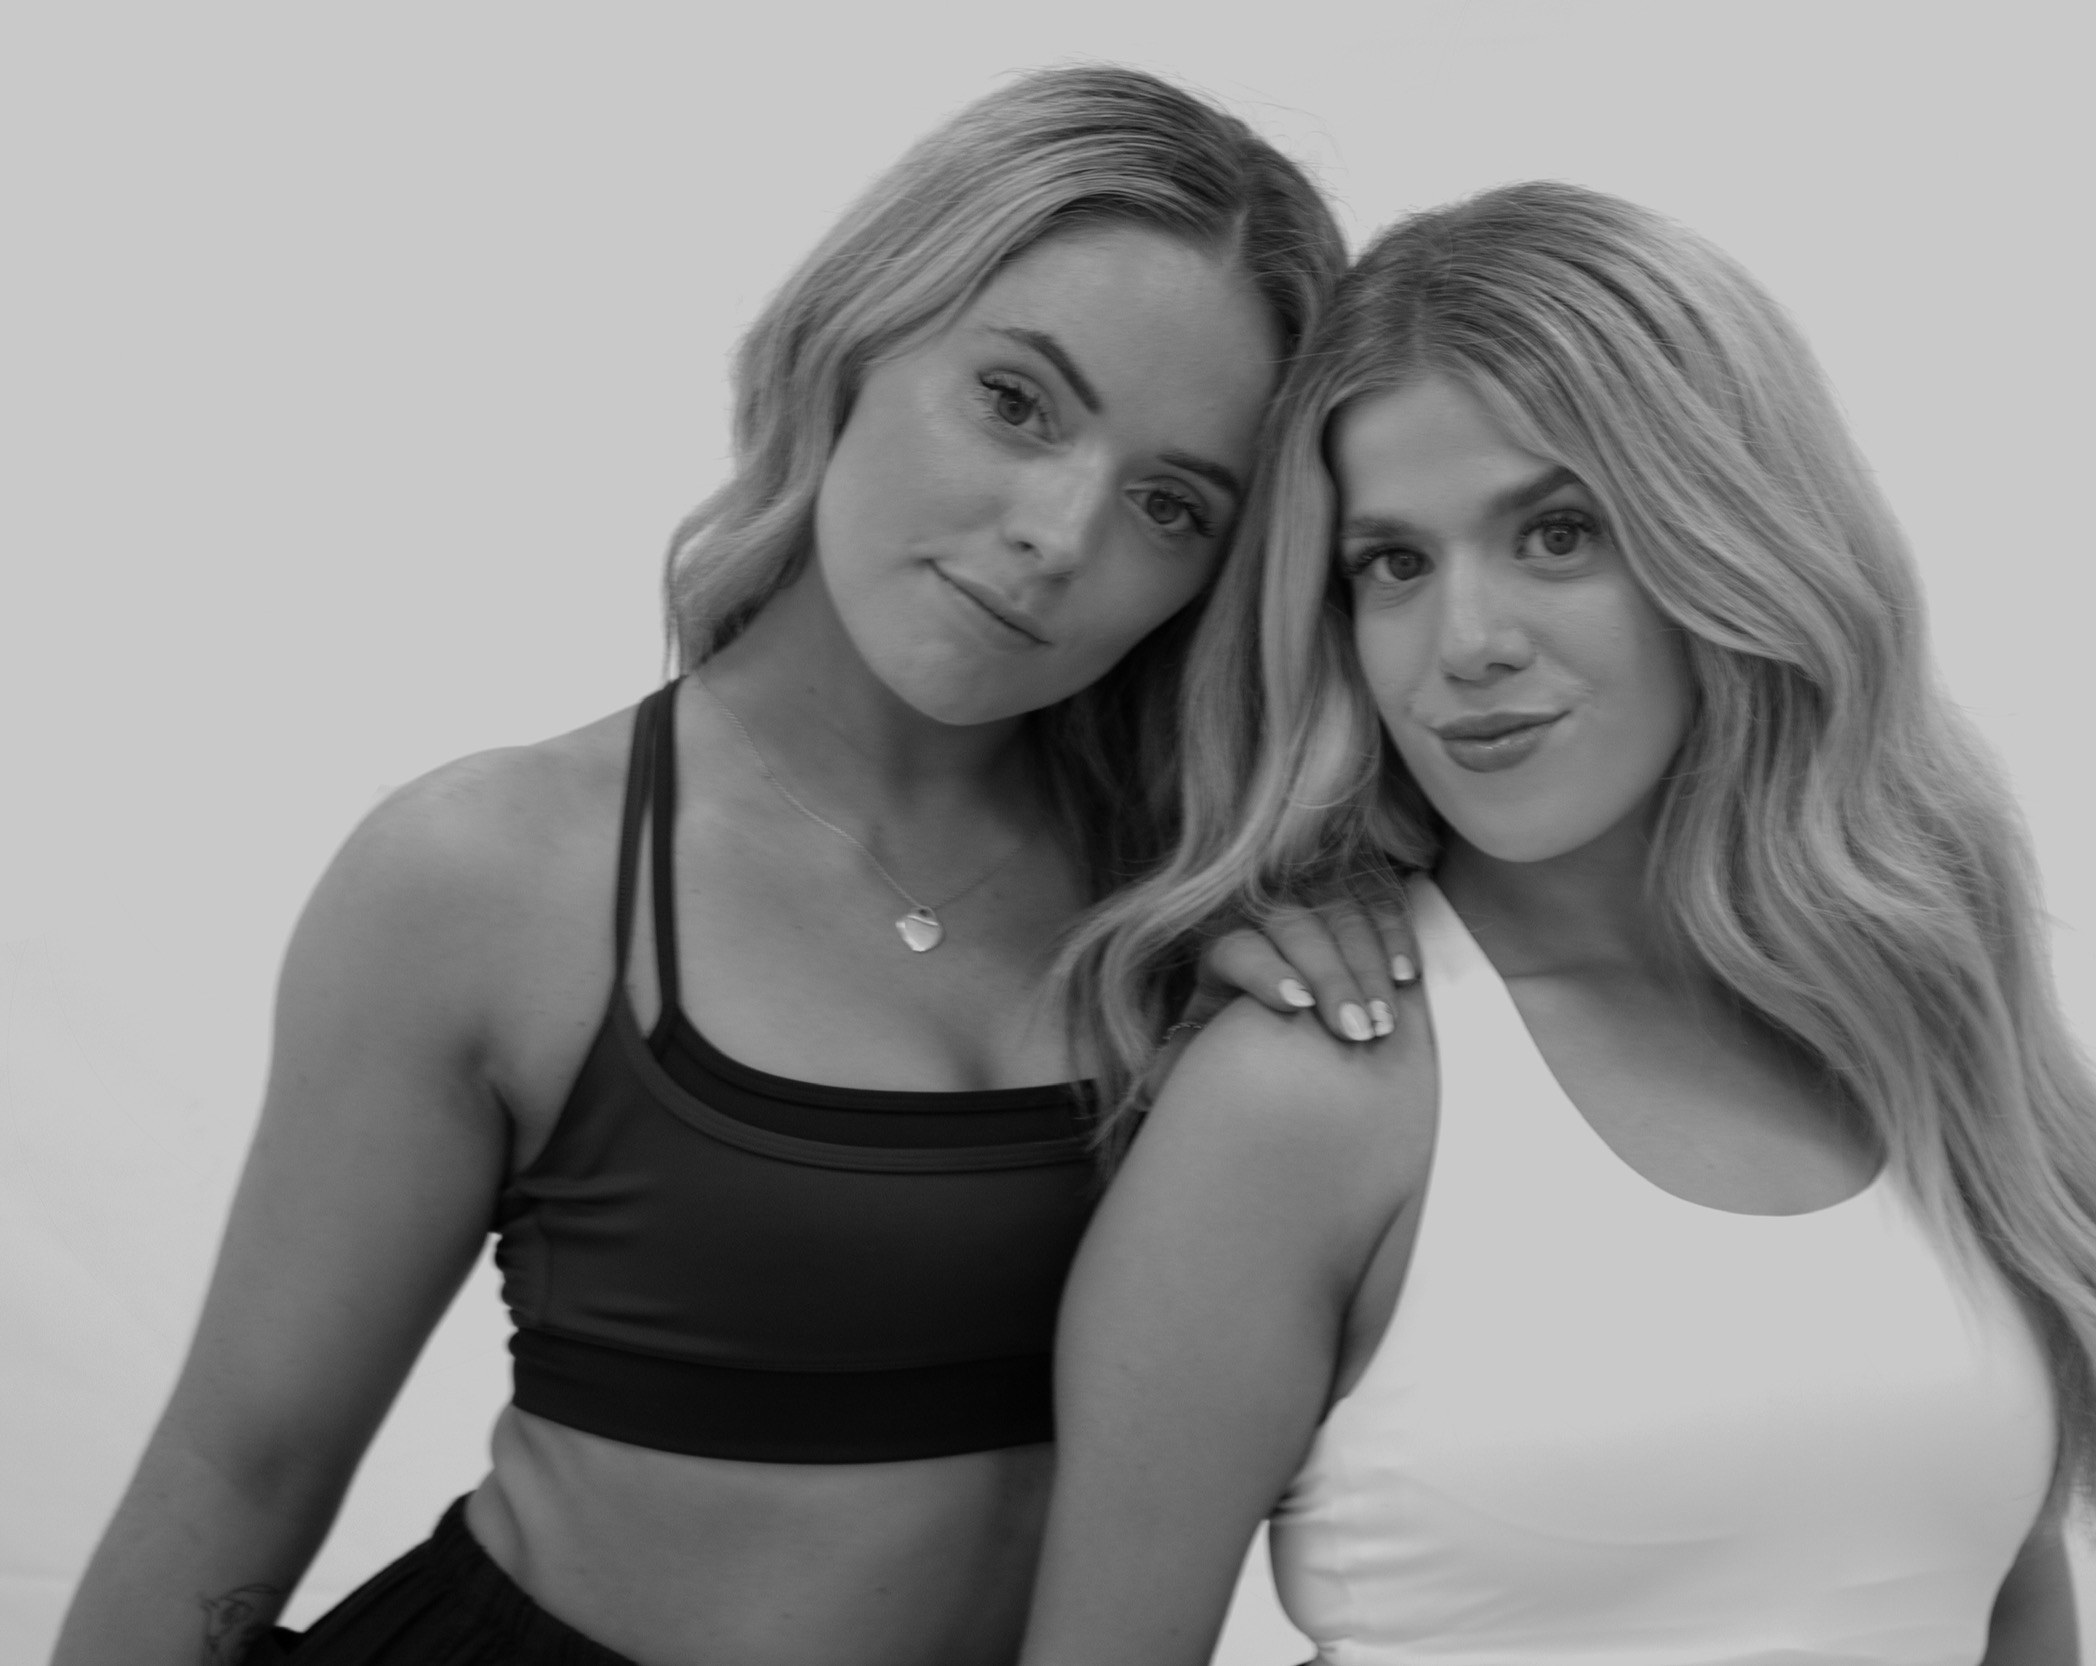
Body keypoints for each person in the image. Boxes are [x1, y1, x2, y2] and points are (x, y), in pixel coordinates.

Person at [51, 66, 1410, 1666]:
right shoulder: (492, 875)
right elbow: (242, 1465)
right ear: (858, 339)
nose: (1059, 531)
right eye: (1016, 401)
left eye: (1170, 503)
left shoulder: (1194, 909)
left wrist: (1311, 956)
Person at [1028, 182, 2096, 1666]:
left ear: (1727, 535)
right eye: (1393, 563)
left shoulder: (1914, 1025)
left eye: (1556, 533)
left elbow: (2006, 1605)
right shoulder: (1312, 1090)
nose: (1465, 643)